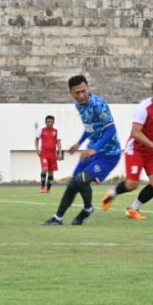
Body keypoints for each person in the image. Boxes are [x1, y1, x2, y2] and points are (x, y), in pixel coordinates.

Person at [43, 75, 121, 226]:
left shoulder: (98, 105)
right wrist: (79, 143)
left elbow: (111, 130)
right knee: (74, 182)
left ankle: (87, 209)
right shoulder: (79, 105)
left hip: (108, 154)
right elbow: (90, 128)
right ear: (71, 93)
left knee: (81, 179)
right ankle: (58, 218)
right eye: (76, 93)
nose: (81, 95)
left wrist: (95, 149)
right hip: (91, 151)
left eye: (83, 91)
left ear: (88, 88)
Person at [100, 78, 153, 221]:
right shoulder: (143, 109)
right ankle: (112, 193)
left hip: (152, 152)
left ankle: (133, 208)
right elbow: (135, 133)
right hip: (136, 150)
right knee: (132, 184)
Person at [35, 115, 62, 193]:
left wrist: (59, 153)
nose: (50, 123)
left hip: (52, 154)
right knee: (44, 169)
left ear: (53, 122)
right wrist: (37, 150)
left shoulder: (56, 131)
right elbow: (36, 140)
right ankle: (43, 187)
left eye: (51, 122)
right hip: (44, 153)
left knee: (51, 172)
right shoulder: (41, 130)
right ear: (45, 122)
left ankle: (48, 189)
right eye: (48, 121)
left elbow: (58, 142)